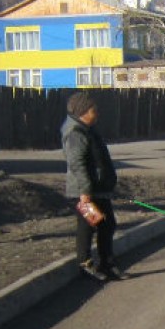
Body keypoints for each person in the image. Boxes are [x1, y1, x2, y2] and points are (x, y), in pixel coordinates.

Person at [61, 92, 124, 281]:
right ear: (82, 112)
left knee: (107, 224)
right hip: (85, 191)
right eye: (93, 110)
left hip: (99, 189)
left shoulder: (88, 129)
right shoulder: (75, 133)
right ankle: (85, 263)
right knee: (88, 226)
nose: (97, 113)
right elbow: (77, 164)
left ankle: (106, 263)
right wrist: (85, 191)